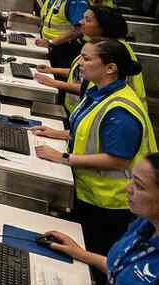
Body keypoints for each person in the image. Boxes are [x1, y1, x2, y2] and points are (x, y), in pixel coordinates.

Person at [31, 39, 157, 260]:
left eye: (87, 59)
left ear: (110, 68)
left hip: (110, 202)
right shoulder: (99, 92)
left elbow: (118, 160)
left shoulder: (120, 110)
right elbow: (91, 132)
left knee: (93, 256)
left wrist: (63, 157)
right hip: (90, 190)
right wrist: (58, 133)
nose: (79, 63)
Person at [44, 152, 159, 285]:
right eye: (131, 179)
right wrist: (79, 252)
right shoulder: (144, 224)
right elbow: (121, 268)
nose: (128, 188)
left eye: (139, 186)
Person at [35, 6, 147, 116]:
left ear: (103, 27)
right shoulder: (96, 45)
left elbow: (91, 86)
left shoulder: (115, 51)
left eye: (87, 20)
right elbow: (81, 72)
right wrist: (52, 70)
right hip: (81, 112)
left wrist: (55, 83)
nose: (80, 22)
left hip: (111, 113)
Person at [37, 0, 92, 72]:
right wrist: (25, 17)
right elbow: (49, 20)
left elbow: (78, 30)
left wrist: (51, 43)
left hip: (66, 49)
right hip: (52, 46)